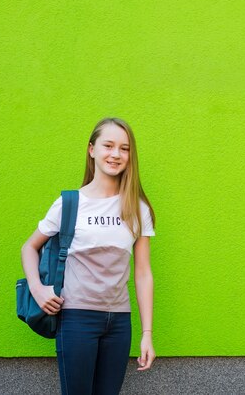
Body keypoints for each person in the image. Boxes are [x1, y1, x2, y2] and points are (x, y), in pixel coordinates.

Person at [20, 117, 157, 394]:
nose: (116, 154)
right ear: (92, 149)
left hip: (119, 322)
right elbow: (29, 247)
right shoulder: (70, 203)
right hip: (76, 318)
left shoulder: (137, 207)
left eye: (124, 148)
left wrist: (147, 334)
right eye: (108, 145)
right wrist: (37, 289)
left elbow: (143, 272)